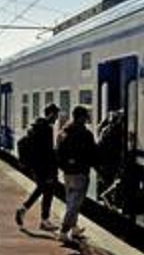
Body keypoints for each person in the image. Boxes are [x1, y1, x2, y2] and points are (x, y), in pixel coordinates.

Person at [15, 103, 64, 232]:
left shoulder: (36, 126)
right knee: (46, 190)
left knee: (43, 189)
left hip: (36, 166)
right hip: (44, 167)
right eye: (56, 116)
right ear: (51, 114)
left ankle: (30, 213)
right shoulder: (46, 128)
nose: (57, 119)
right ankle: (39, 217)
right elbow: (46, 151)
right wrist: (51, 170)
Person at [55, 105, 98, 242]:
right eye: (85, 117)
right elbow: (93, 154)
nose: (86, 120)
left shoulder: (63, 132)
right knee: (75, 203)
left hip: (68, 173)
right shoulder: (86, 134)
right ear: (81, 118)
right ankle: (64, 231)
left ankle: (74, 229)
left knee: (71, 200)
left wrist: (65, 166)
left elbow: (58, 153)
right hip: (80, 173)